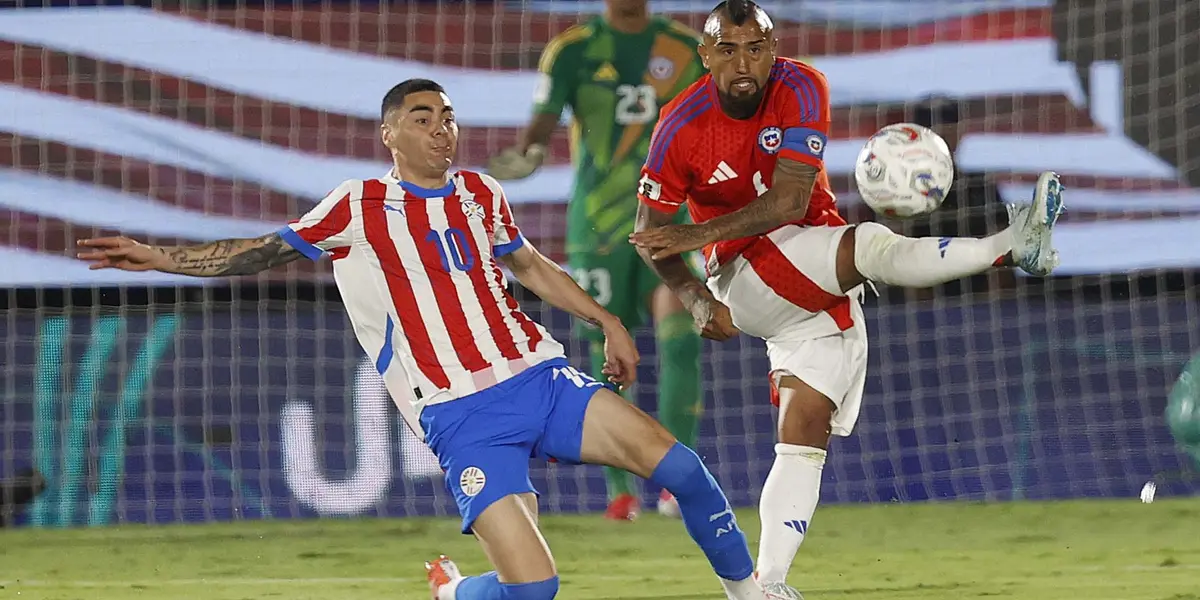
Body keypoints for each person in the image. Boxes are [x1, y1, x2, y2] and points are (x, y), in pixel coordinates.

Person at [77, 79, 770, 600]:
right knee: (535, 591)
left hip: (539, 378)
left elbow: (528, 264)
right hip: (462, 415)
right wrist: (161, 257)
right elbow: (260, 253)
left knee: (685, 472)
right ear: (389, 133)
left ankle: (755, 592)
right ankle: (455, 590)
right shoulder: (357, 206)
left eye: (448, 118)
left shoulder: (481, 193)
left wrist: (607, 320)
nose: (443, 130)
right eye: (423, 118)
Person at [628, 2, 1065, 598]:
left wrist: (695, 231)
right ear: (704, 57)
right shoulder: (680, 126)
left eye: (755, 47)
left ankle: (767, 584)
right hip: (743, 275)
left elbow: (787, 203)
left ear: (772, 48)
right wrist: (693, 295)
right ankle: (1013, 246)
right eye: (726, 50)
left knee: (804, 429)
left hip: (813, 277)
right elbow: (650, 234)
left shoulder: (803, 85)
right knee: (866, 245)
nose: (743, 63)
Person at [488, 0, 709, 521]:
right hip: (598, 225)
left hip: (669, 219)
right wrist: (522, 159)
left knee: (683, 334)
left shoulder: (685, 50)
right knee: (607, 351)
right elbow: (537, 134)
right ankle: (621, 493)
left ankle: (676, 484)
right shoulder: (572, 51)